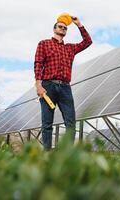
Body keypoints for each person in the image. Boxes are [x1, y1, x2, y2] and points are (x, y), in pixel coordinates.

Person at [34, 16, 92, 150]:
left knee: (70, 122)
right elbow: (38, 64)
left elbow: (88, 42)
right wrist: (38, 85)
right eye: (60, 26)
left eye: (65, 28)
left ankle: (67, 154)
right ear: (54, 29)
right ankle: (47, 154)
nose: (63, 29)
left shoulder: (70, 48)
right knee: (47, 123)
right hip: (48, 86)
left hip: (65, 88)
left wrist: (79, 25)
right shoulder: (44, 44)